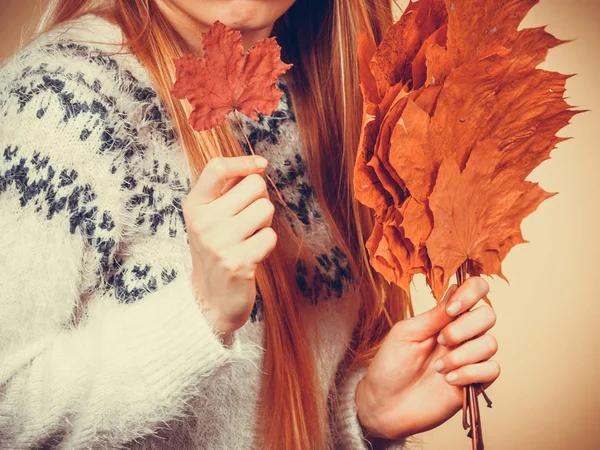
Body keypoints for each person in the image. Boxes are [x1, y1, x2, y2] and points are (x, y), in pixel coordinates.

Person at [0, 0, 500, 449]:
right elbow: (8, 416)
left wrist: (362, 414)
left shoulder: (338, 89)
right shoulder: (57, 100)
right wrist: (200, 314)